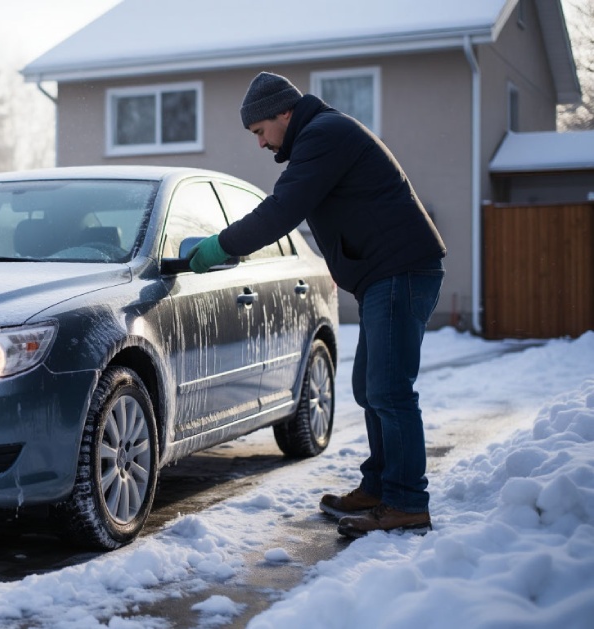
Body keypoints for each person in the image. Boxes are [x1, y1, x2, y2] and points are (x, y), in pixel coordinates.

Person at [188, 71, 446, 538]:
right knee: (371, 388)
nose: (261, 144)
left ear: (284, 113)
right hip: (387, 275)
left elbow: (281, 210)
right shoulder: (322, 135)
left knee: (389, 389)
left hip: (401, 272)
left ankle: (407, 502)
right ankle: (381, 488)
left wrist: (220, 246)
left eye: (260, 131)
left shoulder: (324, 135)